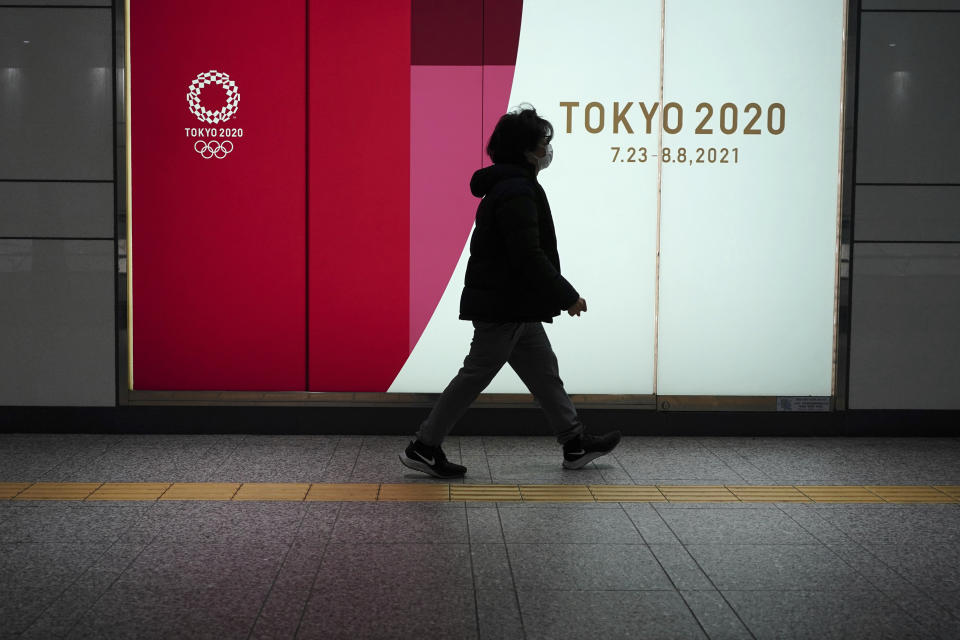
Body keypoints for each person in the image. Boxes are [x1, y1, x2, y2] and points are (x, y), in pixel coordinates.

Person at [399, 104, 621, 478]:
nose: (546, 151)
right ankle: (424, 445)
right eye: (542, 144)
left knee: (544, 373)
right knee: (474, 376)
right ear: (526, 150)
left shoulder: (511, 186)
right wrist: (566, 295)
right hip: (504, 306)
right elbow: (527, 254)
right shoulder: (517, 190)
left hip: (514, 305)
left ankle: (574, 443)